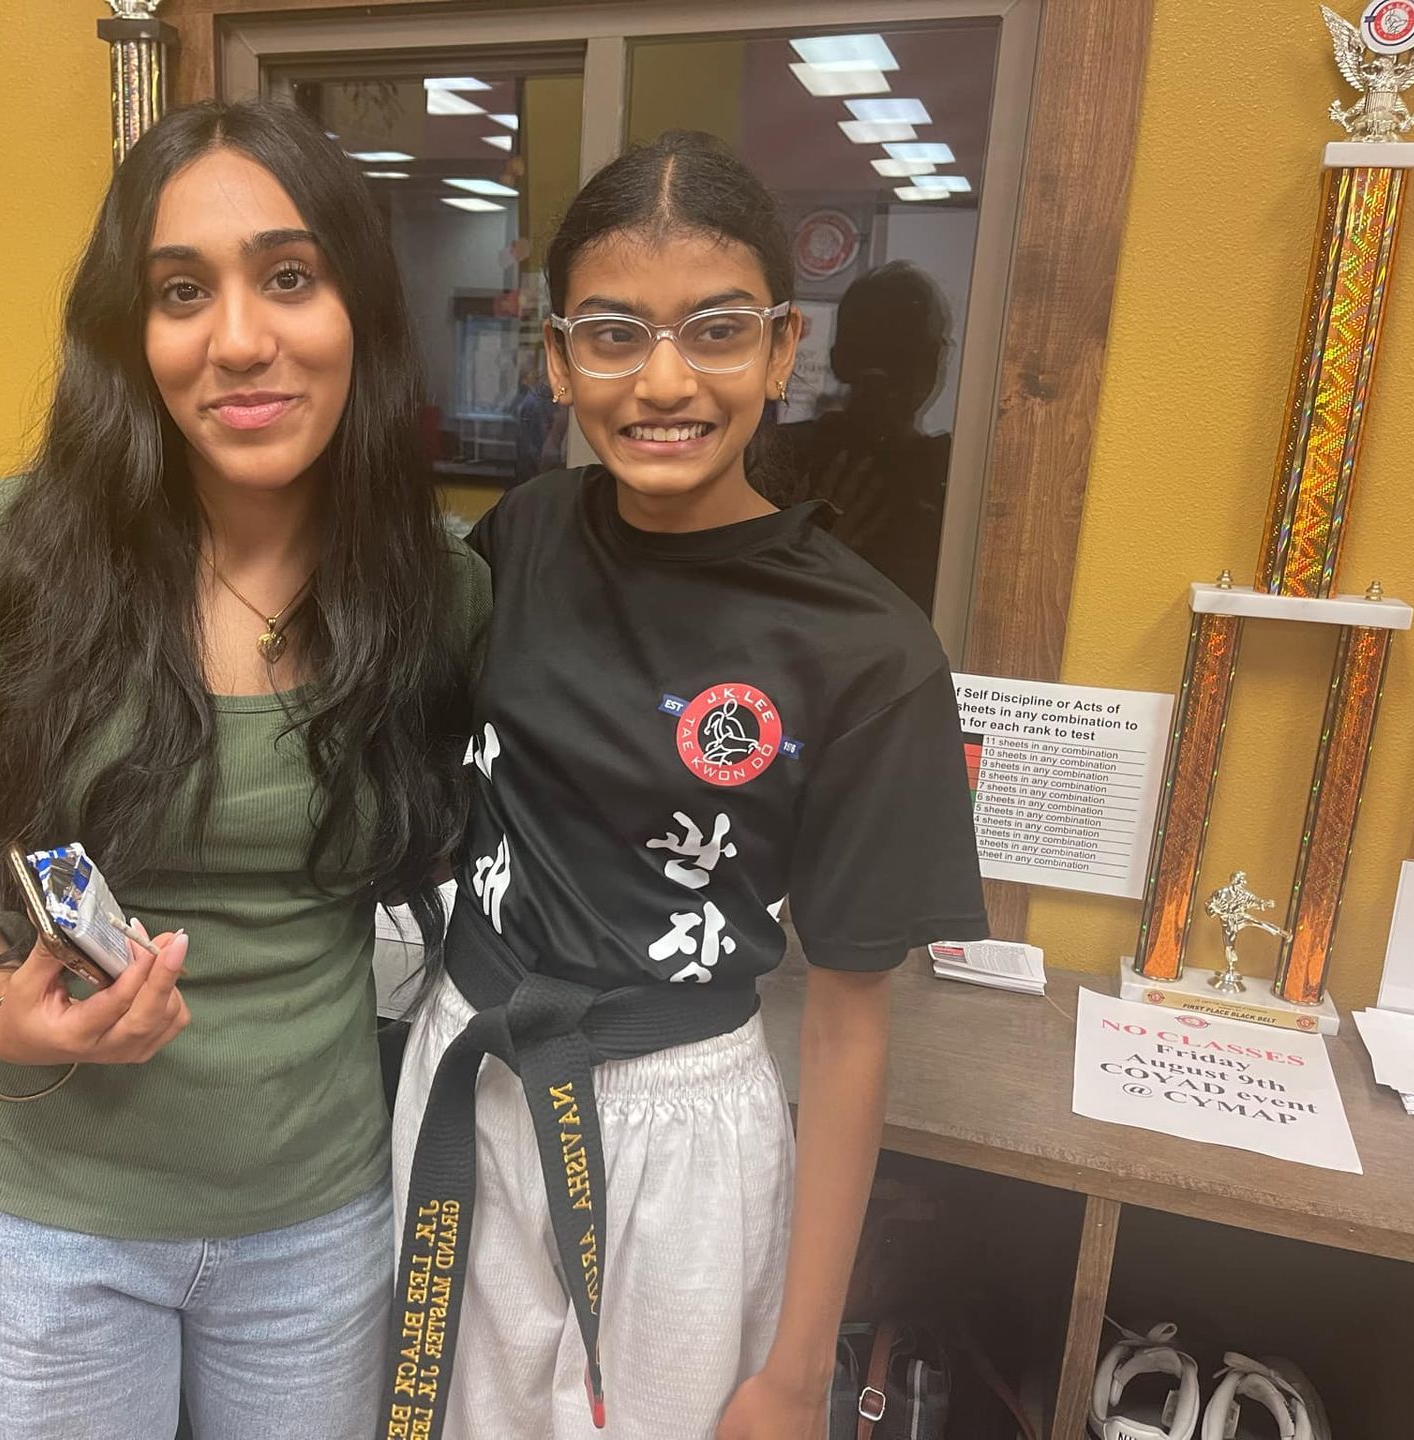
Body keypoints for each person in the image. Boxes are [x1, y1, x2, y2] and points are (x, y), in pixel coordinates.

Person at [0, 99, 487, 1440]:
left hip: (314, 1220)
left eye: (290, 277)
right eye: (182, 291)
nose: (239, 339)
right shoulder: (3, 557)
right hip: (37, 1218)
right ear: (129, 335)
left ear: (362, 312)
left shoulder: (436, 589)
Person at [387, 132, 986, 1440]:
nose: (664, 381)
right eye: (613, 334)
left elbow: (848, 1027)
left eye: (716, 330)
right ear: (558, 360)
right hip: (470, 1069)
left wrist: (798, 1371)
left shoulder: (869, 653)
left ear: (783, 348)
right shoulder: (527, 533)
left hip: (683, 1124)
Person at [762, 260, 955, 615]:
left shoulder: (953, 473)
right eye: (874, 352)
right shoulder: (779, 458)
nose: (888, 374)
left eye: (905, 352)